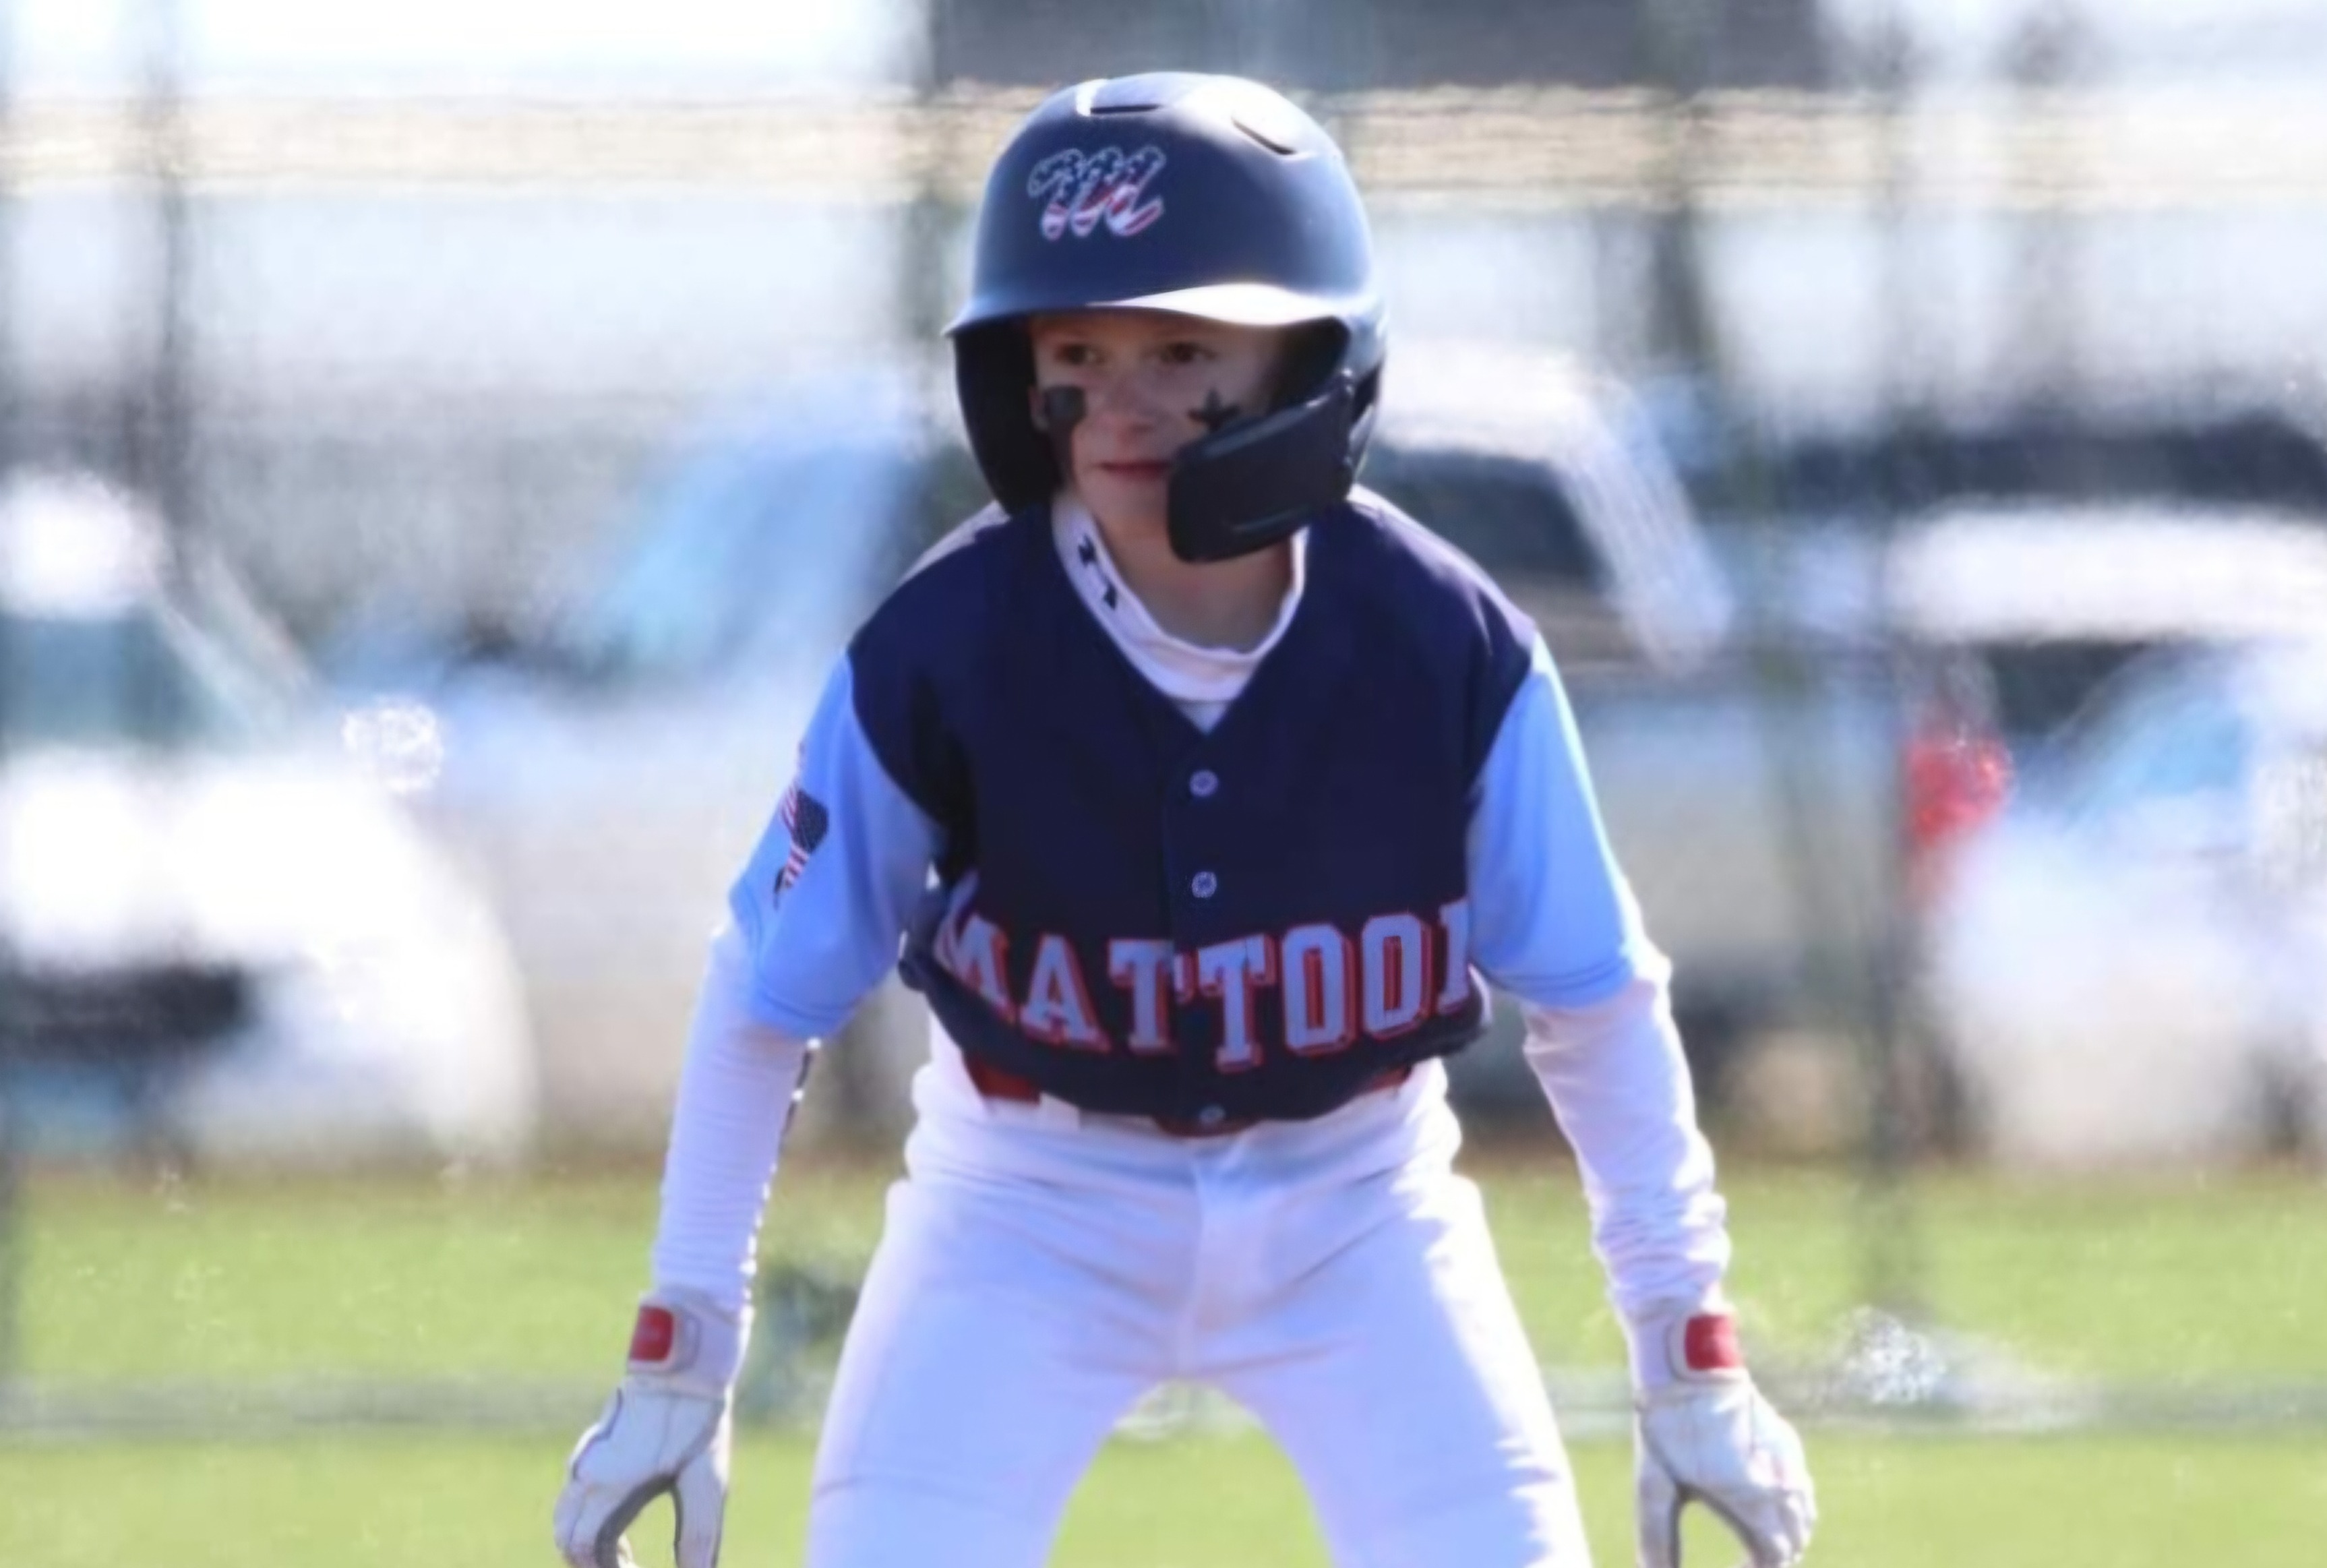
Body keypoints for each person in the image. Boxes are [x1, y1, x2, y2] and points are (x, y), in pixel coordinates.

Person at [554, 71, 1815, 1568]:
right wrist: (684, 1343)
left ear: (1311, 362)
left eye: (1181, 346)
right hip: (1027, 1204)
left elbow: (1596, 996)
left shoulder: (1444, 642)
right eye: (1078, 350)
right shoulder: (944, 646)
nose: (1122, 400)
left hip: (1358, 1203)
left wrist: (1687, 1346)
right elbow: (767, 992)